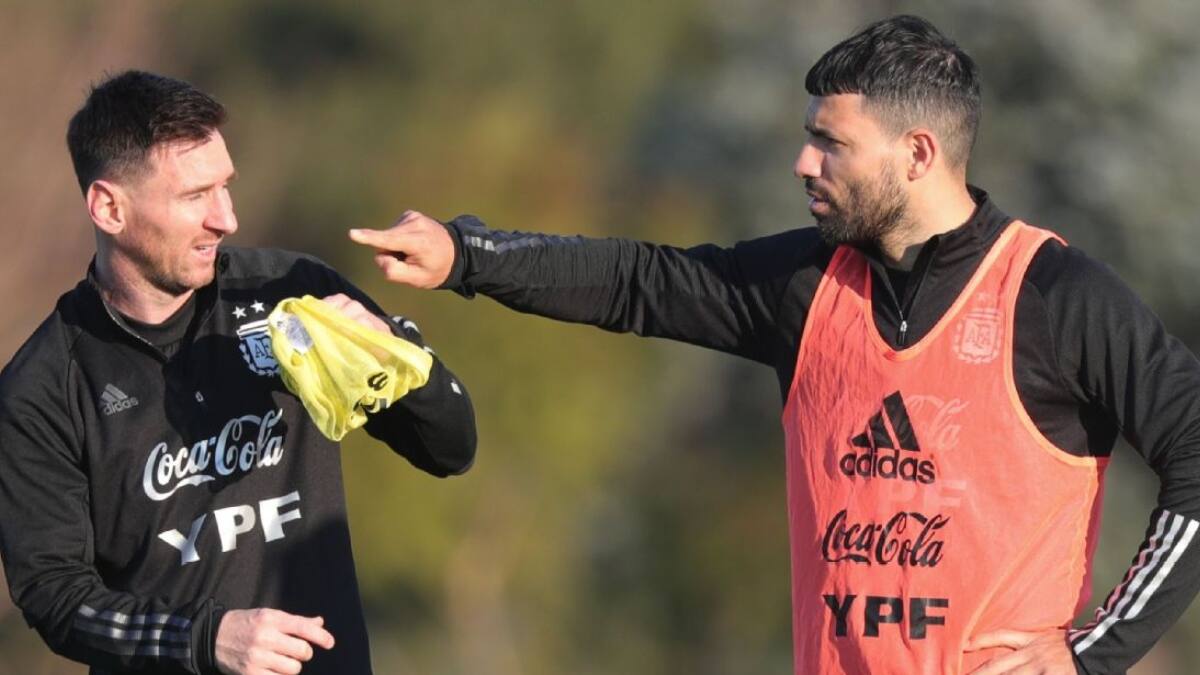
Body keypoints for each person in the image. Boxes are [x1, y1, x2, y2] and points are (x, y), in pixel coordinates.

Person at [348, 14, 1200, 675]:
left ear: (918, 154)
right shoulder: (805, 286)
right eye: (808, 135)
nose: (802, 161)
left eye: (831, 142)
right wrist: (467, 254)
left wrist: (1093, 652)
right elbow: (637, 281)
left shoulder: (1055, 296)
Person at [0, 71, 477, 675]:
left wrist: (397, 357)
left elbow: (451, 449)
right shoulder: (42, 388)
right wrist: (202, 639)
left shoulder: (291, 292)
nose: (226, 218)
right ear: (109, 208)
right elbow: (56, 598)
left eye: (225, 186)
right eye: (195, 195)